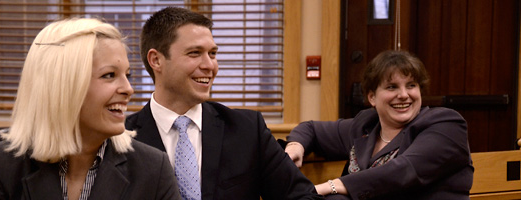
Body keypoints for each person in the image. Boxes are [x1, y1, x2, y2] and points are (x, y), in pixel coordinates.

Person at [0, 18, 180, 200]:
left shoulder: (153, 169)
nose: (128, 89)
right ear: (63, 86)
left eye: (128, 75)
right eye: (109, 75)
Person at [125, 7, 322, 200]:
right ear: (156, 60)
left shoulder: (247, 129)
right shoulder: (120, 139)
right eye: (195, 53)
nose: (210, 65)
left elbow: (304, 196)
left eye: (212, 53)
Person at [285, 50, 473, 199]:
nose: (404, 95)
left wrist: (329, 187)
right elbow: (311, 129)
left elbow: (404, 170)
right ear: (372, 97)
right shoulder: (365, 124)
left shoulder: (446, 125)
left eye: (411, 85)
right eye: (392, 87)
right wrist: (295, 147)